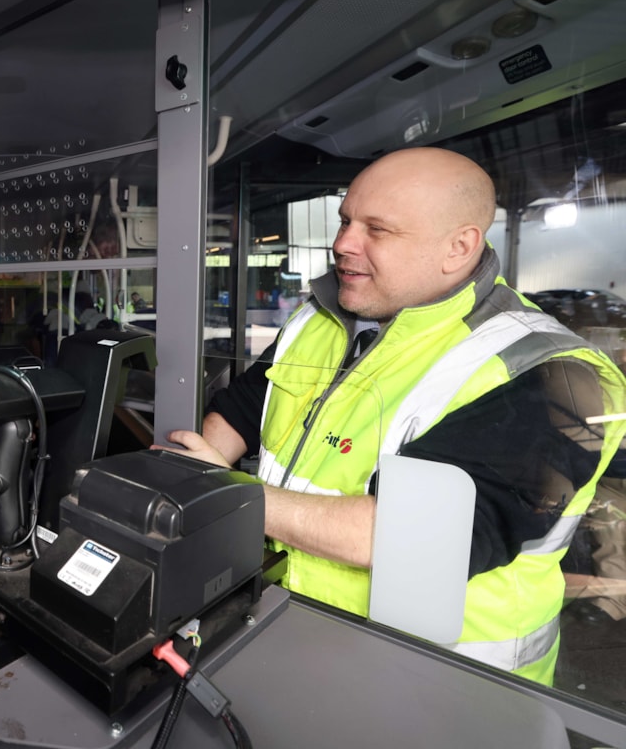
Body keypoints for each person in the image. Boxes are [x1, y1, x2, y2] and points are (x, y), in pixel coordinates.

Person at [161, 147, 626, 684]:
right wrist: (202, 464)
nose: (342, 244)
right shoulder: (323, 318)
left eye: (376, 230)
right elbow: (247, 404)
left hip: (442, 684)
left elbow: (410, 534)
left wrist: (220, 496)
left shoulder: (549, 373)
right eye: (345, 221)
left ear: (458, 247)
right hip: (290, 632)